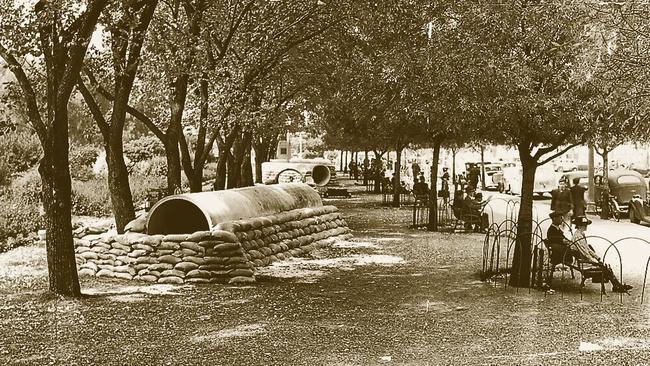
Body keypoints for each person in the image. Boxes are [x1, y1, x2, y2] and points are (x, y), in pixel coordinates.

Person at [569, 216, 632, 294]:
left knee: (606, 268)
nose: (585, 226)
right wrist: (594, 261)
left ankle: (617, 285)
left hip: (584, 259)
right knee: (605, 268)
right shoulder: (578, 236)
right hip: (583, 262)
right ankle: (617, 286)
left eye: (585, 224)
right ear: (579, 226)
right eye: (583, 224)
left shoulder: (580, 234)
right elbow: (584, 252)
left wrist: (597, 257)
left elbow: (587, 249)